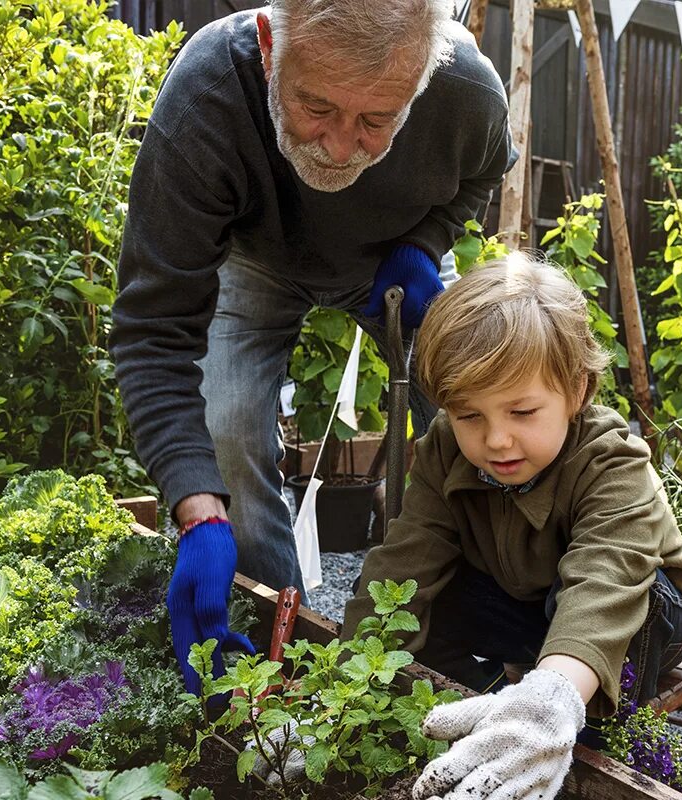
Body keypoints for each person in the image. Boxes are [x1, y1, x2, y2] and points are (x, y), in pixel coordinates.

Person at [108, 0, 516, 694]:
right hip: (255, 261)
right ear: (271, 47)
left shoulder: (465, 90)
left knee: (483, 409)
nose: (337, 145)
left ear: (421, 80)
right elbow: (154, 329)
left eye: (375, 121)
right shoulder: (208, 95)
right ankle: (282, 652)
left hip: (392, 261)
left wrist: (423, 246)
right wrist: (197, 508)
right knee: (227, 439)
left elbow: (481, 174)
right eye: (316, 106)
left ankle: (490, 620)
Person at [339, 254, 682, 800]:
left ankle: (573, 727)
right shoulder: (444, 451)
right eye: (470, 415)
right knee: (423, 597)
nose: (496, 440)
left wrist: (556, 696)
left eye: (521, 413)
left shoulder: (612, 460)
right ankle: (488, 715)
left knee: (609, 607)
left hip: (647, 606)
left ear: (578, 392)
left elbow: (605, 579)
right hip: (529, 599)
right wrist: (338, 691)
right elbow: (403, 562)